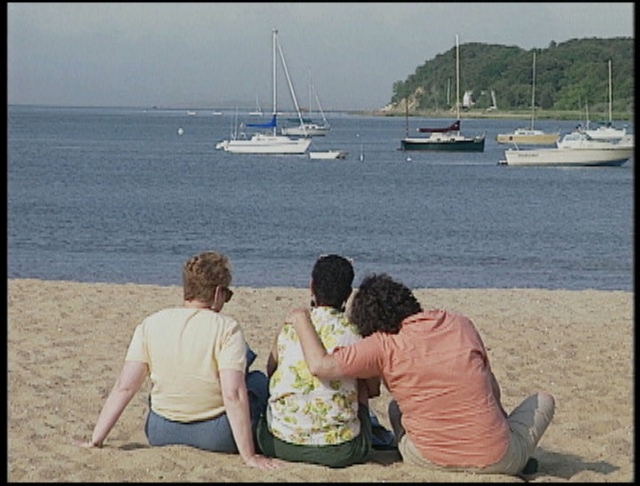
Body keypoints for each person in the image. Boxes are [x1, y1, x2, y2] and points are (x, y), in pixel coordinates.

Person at [288, 273, 555, 477]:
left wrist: (301, 317)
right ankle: (512, 456)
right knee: (544, 400)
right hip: (498, 458)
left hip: (427, 458)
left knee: (396, 409)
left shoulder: (382, 345)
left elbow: (321, 365)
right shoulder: (458, 323)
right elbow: (491, 390)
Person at [78, 251, 282, 470]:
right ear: (217, 293)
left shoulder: (150, 324)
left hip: (160, 431)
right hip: (216, 435)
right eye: (227, 295)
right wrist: (249, 456)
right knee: (257, 382)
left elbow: (125, 387)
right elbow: (233, 394)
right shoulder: (226, 328)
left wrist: (96, 438)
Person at [256, 254, 380, 468]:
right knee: (358, 380)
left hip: (278, 444)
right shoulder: (356, 333)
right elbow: (373, 389)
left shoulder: (291, 325)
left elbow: (270, 369)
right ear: (348, 294)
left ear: (311, 286)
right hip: (341, 450)